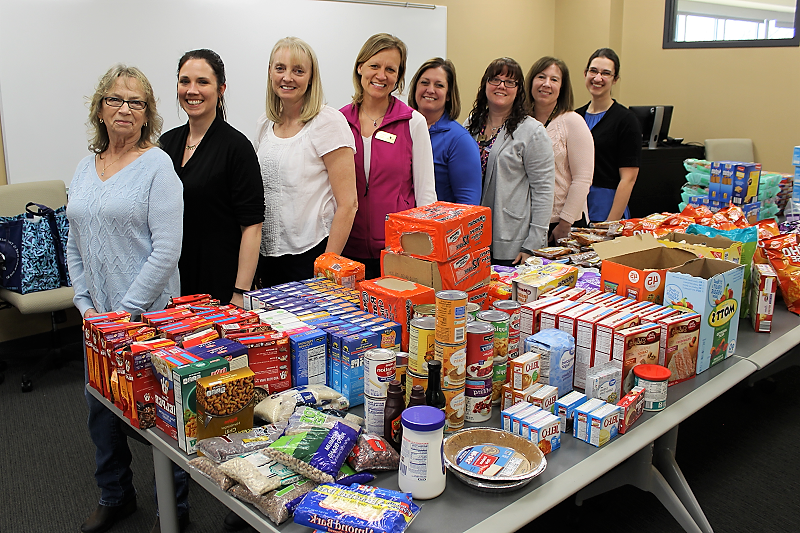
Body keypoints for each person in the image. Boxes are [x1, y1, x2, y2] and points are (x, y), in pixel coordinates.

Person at [67, 65, 186, 533]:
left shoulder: (159, 168)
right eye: (115, 100)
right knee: (101, 410)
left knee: (162, 418)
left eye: (136, 102)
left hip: (149, 319)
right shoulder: (84, 165)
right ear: (100, 108)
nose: (125, 109)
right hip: (96, 318)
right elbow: (74, 241)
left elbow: (167, 250)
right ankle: (115, 495)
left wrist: (125, 313)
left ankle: (173, 511)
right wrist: (86, 305)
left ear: (147, 113)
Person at [160, 49, 264, 306]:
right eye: (185, 81)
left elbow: (252, 226)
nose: (192, 90)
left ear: (221, 89)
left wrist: (239, 292)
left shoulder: (236, 147)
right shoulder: (165, 144)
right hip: (172, 283)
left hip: (220, 285)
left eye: (202, 82)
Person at [254, 37, 358, 286]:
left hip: (311, 255)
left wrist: (326, 268)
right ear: (270, 72)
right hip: (268, 257)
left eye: (298, 70)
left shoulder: (327, 122)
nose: (287, 77)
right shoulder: (264, 125)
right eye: (280, 68)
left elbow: (348, 204)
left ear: (311, 77)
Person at [340, 33, 437, 279]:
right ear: (360, 67)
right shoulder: (338, 121)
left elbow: (426, 194)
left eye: (390, 69)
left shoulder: (413, 122)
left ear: (398, 76)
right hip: (346, 250)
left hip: (398, 253)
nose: (381, 76)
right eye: (374, 66)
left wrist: (424, 253)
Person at [466, 57, 555, 265]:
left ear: (518, 90)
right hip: (471, 238)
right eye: (495, 79)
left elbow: (543, 191)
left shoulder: (532, 131)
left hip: (512, 242)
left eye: (510, 82)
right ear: (485, 84)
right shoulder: (470, 125)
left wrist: (533, 244)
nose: (501, 86)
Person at [525, 56, 594, 243]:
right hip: (528, 223)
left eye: (554, 79)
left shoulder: (572, 121)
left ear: (562, 87)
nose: (546, 84)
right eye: (541, 77)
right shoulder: (522, 123)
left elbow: (583, 179)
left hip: (565, 224)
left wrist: (565, 223)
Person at [575, 48, 642, 223]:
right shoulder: (574, 117)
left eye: (606, 73)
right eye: (593, 71)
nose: (598, 78)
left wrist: (609, 224)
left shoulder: (626, 120)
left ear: (615, 79)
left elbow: (629, 179)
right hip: (575, 206)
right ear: (585, 73)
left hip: (606, 207)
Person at [408, 57, 481, 205]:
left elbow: (467, 207)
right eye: (424, 82)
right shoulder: (401, 128)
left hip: (435, 226)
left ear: (448, 95)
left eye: (439, 85)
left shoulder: (460, 140)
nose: (430, 90)